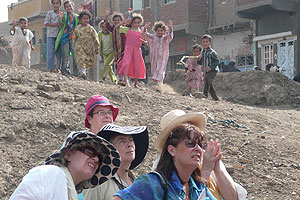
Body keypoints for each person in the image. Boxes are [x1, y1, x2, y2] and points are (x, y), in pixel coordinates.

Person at [112, 109, 225, 200]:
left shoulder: (198, 187)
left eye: (201, 145)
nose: (198, 149)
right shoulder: (153, 183)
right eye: (190, 143)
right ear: (171, 150)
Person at [151, 110, 247, 200]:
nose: (190, 131)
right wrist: (206, 171)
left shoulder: (207, 155)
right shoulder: (159, 174)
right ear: (172, 147)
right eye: (189, 141)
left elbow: (232, 197)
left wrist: (217, 168)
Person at [10, 130, 121, 200]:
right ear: (68, 154)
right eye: (90, 151)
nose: (96, 159)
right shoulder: (50, 174)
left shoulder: (71, 192)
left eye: (100, 158)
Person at [83, 123, 149, 200]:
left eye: (131, 140)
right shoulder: (98, 183)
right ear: (109, 150)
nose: (129, 144)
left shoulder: (135, 182)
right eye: (122, 141)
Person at [116, 13, 146, 88]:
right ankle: (125, 81)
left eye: (138, 23)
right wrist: (123, 22)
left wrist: (144, 42)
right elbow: (116, 27)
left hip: (137, 50)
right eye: (135, 22)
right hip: (128, 49)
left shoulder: (140, 31)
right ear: (132, 23)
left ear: (141, 23)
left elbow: (142, 39)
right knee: (126, 63)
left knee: (137, 66)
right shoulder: (127, 29)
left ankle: (136, 83)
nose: (137, 24)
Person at [142, 20, 173, 88]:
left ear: (164, 31)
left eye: (161, 30)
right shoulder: (153, 37)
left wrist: (170, 29)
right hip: (154, 57)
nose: (160, 32)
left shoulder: (165, 38)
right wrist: (145, 28)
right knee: (155, 68)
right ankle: (158, 84)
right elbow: (145, 34)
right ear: (155, 31)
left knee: (161, 68)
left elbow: (170, 36)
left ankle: (160, 83)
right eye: (158, 30)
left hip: (163, 56)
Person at [55, 0, 79, 76]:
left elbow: (80, 24)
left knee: (76, 55)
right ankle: (65, 70)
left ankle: (76, 72)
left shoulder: (77, 16)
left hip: (74, 38)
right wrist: (61, 18)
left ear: (73, 7)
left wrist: (81, 14)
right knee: (65, 55)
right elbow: (60, 25)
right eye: (66, 7)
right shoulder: (64, 16)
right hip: (65, 38)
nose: (68, 8)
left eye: (70, 6)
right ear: (65, 8)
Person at [73, 10, 99, 79]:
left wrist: (97, 47)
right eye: (84, 18)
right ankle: (82, 71)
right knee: (81, 58)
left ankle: (84, 72)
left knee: (88, 60)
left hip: (88, 47)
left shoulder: (91, 29)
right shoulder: (77, 28)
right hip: (79, 46)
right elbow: (74, 38)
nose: (86, 20)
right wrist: (75, 46)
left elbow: (95, 38)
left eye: (87, 18)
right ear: (80, 19)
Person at [198, 34, 220, 101]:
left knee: (207, 79)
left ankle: (205, 94)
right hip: (206, 70)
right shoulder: (202, 52)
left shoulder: (212, 52)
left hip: (213, 70)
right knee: (209, 83)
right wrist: (199, 60)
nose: (205, 43)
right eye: (203, 42)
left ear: (210, 43)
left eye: (206, 42)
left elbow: (217, 61)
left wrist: (210, 67)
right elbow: (201, 62)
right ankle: (215, 97)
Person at [44, 0, 63, 73]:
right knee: (50, 52)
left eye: (57, 3)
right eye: (54, 3)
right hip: (51, 35)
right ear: (52, 4)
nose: (55, 5)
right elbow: (46, 23)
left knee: (59, 53)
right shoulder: (50, 13)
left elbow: (63, 24)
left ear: (60, 4)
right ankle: (50, 68)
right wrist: (56, 25)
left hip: (59, 36)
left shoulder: (62, 14)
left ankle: (58, 68)